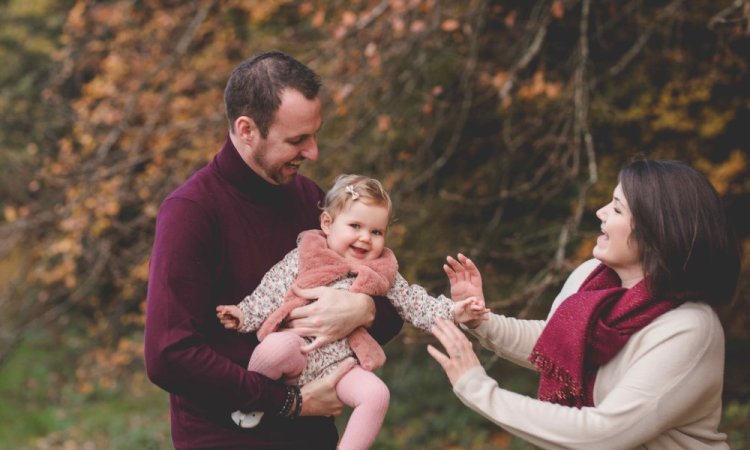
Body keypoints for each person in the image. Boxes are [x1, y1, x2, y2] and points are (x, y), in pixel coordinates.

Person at [144, 51, 406, 450]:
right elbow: (169, 354)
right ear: (247, 129)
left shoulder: (311, 202)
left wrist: (364, 310)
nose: (314, 152)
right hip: (224, 439)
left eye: (315, 135)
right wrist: (288, 402)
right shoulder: (191, 213)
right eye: (298, 140)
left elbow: (390, 305)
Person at [428, 159, 741, 449]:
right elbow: (554, 346)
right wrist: (481, 321)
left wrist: (479, 389)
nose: (601, 212)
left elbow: (603, 434)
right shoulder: (591, 278)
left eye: (617, 209)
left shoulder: (689, 329)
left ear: (657, 232)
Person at [215, 174, 488, 450]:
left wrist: (455, 311)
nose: (365, 238)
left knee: (376, 395)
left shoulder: (381, 271)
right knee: (275, 348)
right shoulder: (307, 256)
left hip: (342, 364)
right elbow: (271, 289)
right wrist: (243, 314)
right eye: (355, 226)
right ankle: (252, 402)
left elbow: (415, 302)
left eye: (376, 232)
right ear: (327, 224)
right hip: (298, 349)